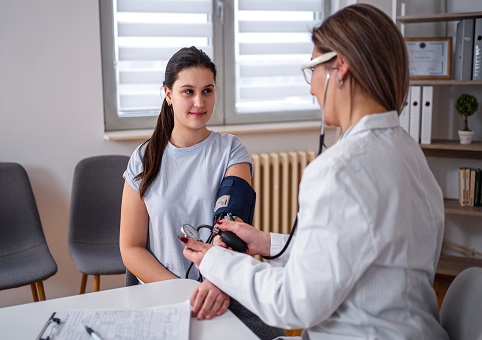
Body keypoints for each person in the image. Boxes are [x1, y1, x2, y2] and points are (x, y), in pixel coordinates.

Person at [183, 4, 449, 339]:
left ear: (340, 67)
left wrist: (214, 262)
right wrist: (267, 243)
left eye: (313, 69)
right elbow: (350, 251)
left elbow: (294, 302)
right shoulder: (409, 152)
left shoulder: (340, 170)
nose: (311, 88)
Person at [119, 46, 284, 339]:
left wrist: (215, 284)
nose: (199, 102)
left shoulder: (232, 150)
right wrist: (183, 292)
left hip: (222, 288)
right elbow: (131, 248)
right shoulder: (143, 159)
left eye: (207, 91)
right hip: (164, 293)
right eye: (188, 91)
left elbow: (232, 225)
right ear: (168, 94)